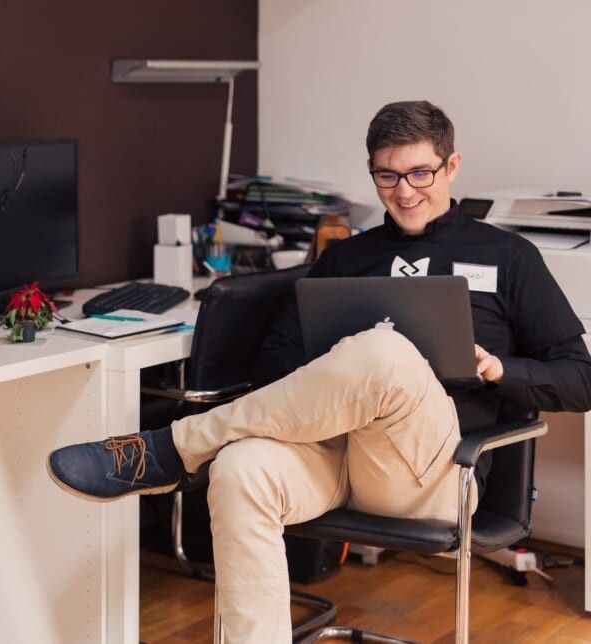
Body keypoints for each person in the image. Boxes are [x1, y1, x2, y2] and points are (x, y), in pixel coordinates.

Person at [47, 100, 591, 642]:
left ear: (451, 166)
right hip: (331, 453)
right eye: (388, 175)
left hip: (436, 471)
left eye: (420, 172)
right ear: (373, 173)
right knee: (240, 469)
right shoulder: (345, 258)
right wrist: (334, 369)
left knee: (385, 352)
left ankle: (170, 449)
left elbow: (580, 378)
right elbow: (273, 364)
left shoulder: (509, 257)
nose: (404, 191)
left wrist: (499, 370)